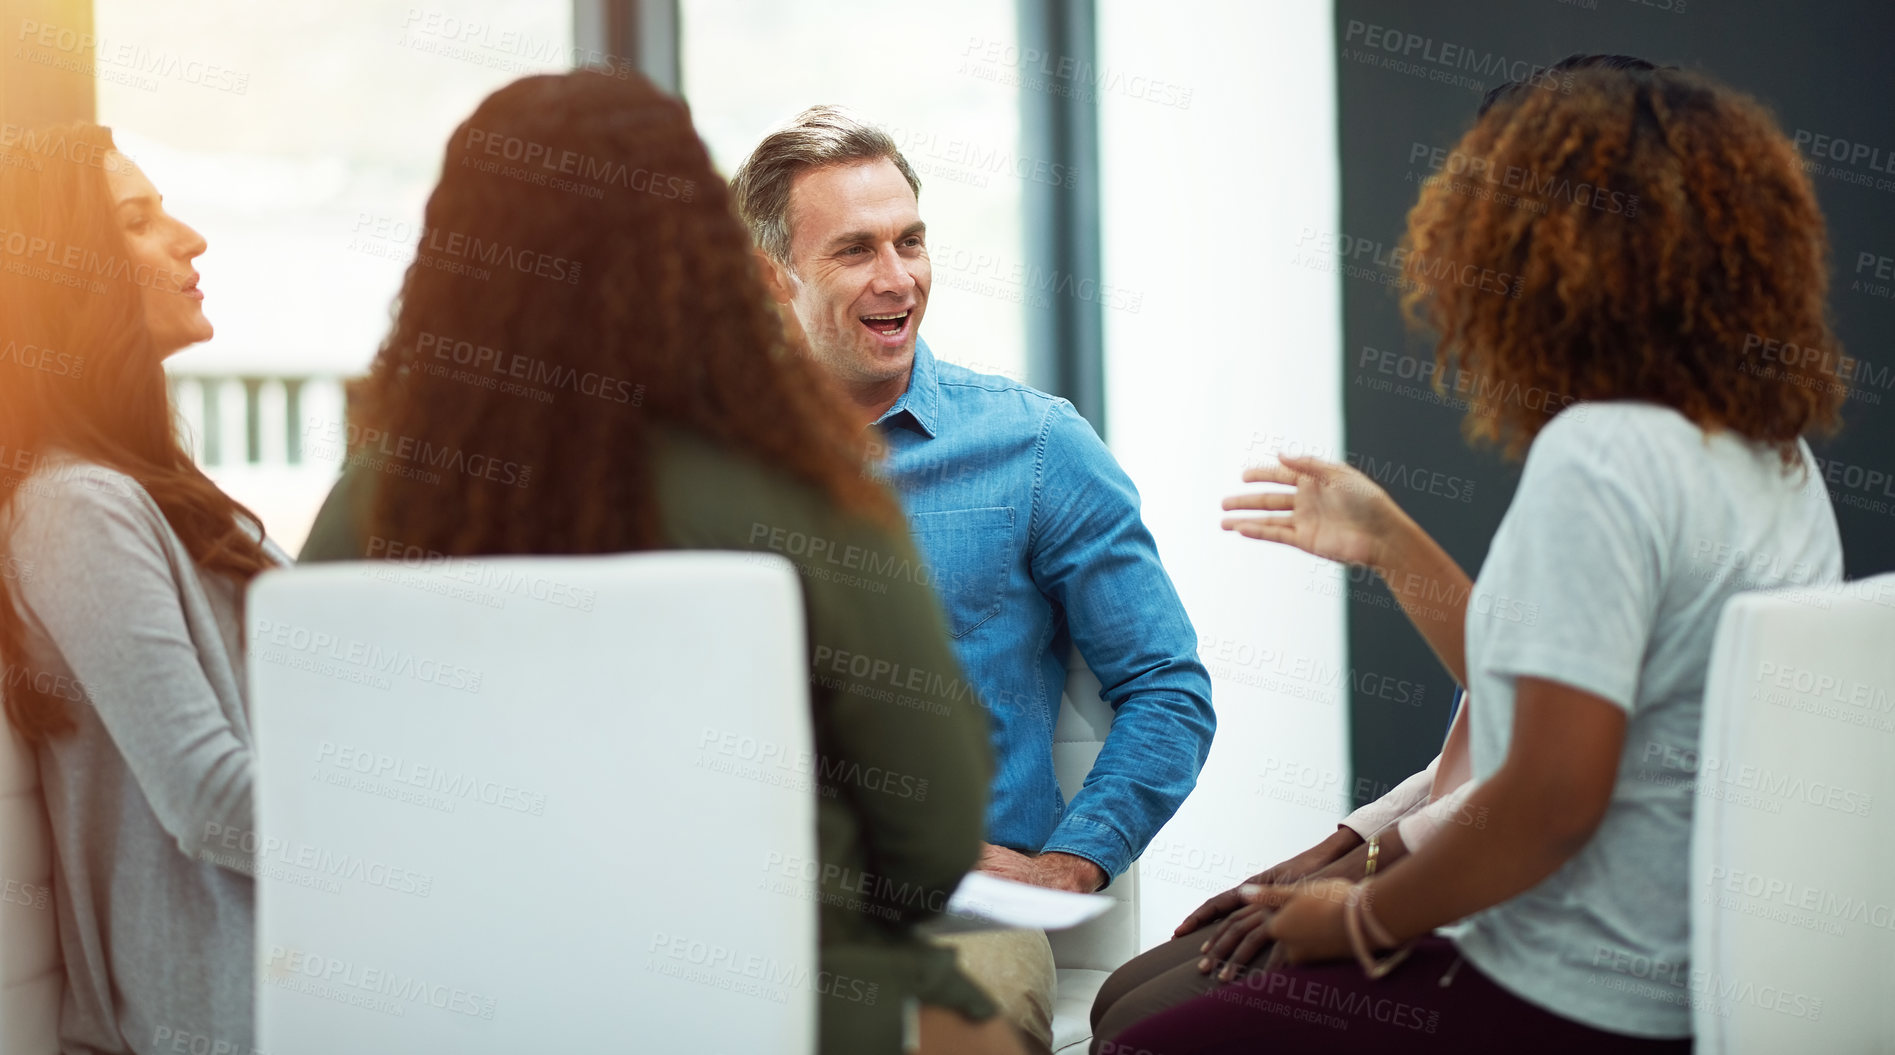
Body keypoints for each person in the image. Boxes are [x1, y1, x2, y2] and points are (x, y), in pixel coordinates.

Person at [1104, 58, 1849, 1055]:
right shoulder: (1768, 452)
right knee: (1138, 991)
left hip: (1569, 994)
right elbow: (1534, 698)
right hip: (1693, 977)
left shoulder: (1603, 455)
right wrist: (1386, 538)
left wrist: (1360, 913)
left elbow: (1544, 799)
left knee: (1139, 1027)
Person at [295, 71, 1019, 1055]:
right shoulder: (801, 489)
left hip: (440, 1012)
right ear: (703, 255)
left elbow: (319, 814)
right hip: (780, 1004)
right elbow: (932, 840)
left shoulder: (373, 506)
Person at [730, 106, 1216, 1054]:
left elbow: (1168, 686)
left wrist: (1075, 862)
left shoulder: (1035, 448)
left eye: (910, 241)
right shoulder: (702, 464)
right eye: (856, 250)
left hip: (954, 917)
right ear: (768, 275)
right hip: (745, 898)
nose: (898, 278)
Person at [0, 123, 288, 1055]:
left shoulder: (163, 496)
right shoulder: (74, 506)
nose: (189, 238)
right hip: (223, 1018)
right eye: (139, 218)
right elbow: (209, 797)